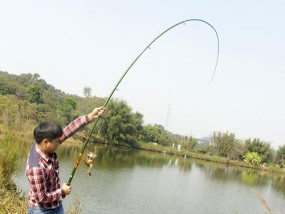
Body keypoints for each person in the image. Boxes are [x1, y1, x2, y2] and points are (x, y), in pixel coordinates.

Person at [26, 106, 106, 214]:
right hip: (41, 210)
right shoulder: (36, 167)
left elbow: (69, 130)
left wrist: (90, 116)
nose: (59, 143)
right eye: (56, 142)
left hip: (56, 205)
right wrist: (62, 191)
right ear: (46, 142)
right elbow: (41, 197)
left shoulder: (43, 145)